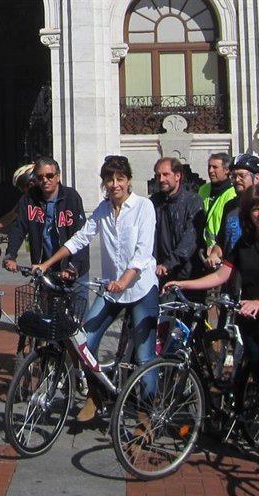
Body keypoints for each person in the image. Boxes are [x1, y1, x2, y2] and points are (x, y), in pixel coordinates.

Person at [165, 185, 259, 480]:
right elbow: (222, 274)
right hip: (253, 327)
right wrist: (184, 284)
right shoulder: (244, 243)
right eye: (256, 209)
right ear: (248, 214)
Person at [32, 155, 158, 422]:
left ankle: (147, 415)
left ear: (129, 180)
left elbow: (142, 253)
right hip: (111, 290)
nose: (115, 185)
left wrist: (124, 280)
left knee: (145, 356)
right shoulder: (102, 209)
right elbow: (80, 237)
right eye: (109, 180)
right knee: (84, 342)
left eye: (120, 179)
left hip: (140, 289)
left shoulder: (144, 207)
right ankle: (97, 395)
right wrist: (47, 263)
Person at [1, 157, 89, 289]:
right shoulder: (30, 198)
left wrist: (74, 267)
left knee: (76, 309)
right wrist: (10, 255)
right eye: (40, 177)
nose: (45, 180)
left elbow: (81, 236)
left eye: (49, 176)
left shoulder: (71, 197)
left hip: (71, 270)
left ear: (58, 177)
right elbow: (18, 228)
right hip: (44, 269)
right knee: (44, 308)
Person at [150, 156, 203, 284]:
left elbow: (190, 238)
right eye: (158, 176)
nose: (161, 179)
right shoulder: (153, 202)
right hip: (160, 274)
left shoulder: (193, 201)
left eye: (166, 174)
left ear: (177, 176)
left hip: (187, 276)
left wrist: (169, 263)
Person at [199, 153, 237, 269]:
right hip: (203, 252)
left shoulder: (232, 193)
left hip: (222, 252)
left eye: (215, 167)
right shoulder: (203, 190)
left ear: (226, 170)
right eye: (209, 167)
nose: (210, 171)